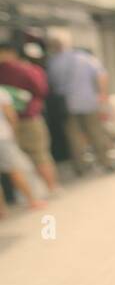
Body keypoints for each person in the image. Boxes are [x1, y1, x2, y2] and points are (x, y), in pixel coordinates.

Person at [45, 38, 115, 174]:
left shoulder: (53, 62)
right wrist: (102, 94)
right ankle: (105, 162)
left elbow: (51, 84)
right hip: (88, 101)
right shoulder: (84, 58)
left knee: (73, 136)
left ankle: (80, 167)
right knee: (96, 132)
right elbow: (101, 75)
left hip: (66, 104)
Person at [0, 39, 59, 194]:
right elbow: (41, 90)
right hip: (29, 117)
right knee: (39, 154)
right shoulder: (26, 69)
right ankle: (52, 188)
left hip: (7, 124)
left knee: (18, 160)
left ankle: (31, 193)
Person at [0, 85, 47, 214]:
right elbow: (10, 115)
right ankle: (32, 200)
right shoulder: (1, 92)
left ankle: (2, 211)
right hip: (3, 137)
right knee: (15, 169)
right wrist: (14, 132)